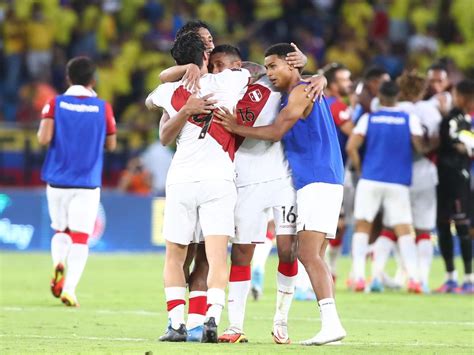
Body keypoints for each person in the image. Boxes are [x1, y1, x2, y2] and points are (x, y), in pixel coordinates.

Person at [216, 42, 346, 346]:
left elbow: (276, 131)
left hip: (314, 178)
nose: (270, 72)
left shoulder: (301, 91)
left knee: (305, 254)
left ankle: (326, 323)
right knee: (315, 256)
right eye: (268, 67)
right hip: (316, 179)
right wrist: (317, 73)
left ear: (291, 64)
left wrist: (236, 127)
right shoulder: (303, 88)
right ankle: (330, 324)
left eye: (275, 65)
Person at [146, 31, 250, 343]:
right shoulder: (230, 80)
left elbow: (149, 102)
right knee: (218, 256)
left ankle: (176, 324)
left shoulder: (168, 90)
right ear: (206, 57)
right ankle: (212, 319)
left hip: (180, 181)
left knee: (174, 257)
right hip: (219, 180)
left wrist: (179, 76)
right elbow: (252, 69)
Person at [37, 56, 117, 307]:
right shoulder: (103, 108)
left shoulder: (54, 103)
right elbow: (112, 145)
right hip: (87, 182)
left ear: (68, 78)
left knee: (61, 231)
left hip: (58, 180)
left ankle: (58, 262)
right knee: (81, 237)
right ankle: (70, 289)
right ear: (93, 80)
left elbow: (43, 138)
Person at [346, 80, 427, 294]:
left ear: (380, 97)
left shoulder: (368, 118)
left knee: (363, 226)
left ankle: (360, 278)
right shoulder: (409, 119)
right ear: (397, 96)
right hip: (398, 181)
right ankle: (414, 279)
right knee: (404, 230)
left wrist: (361, 169)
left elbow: (351, 146)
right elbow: (420, 146)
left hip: (371, 179)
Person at [371, 72, 441, 293]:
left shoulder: (387, 108)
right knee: (423, 230)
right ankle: (421, 279)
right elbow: (433, 140)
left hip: (396, 174)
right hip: (423, 174)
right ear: (422, 90)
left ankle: (375, 277)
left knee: (390, 228)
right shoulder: (430, 111)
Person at [435, 79, 474, 294]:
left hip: (455, 178)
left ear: (461, 97)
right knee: (444, 226)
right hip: (448, 178)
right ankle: (453, 277)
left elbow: (464, 145)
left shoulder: (455, 119)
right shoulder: (457, 119)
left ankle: (467, 279)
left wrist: (463, 146)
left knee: (460, 226)